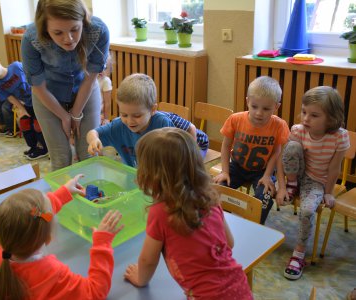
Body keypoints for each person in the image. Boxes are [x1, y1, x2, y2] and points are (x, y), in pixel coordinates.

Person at [123, 128, 252, 299]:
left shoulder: (160, 212)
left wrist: (140, 279)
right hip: (239, 287)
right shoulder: (210, 197)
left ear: (150, 175)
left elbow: (148, 260)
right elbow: (229, 242)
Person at [0, 186, 124, 299]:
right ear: (48, 239)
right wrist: (102, 244)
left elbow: (34, 216)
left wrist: (64, 192)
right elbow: (95, 292)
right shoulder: (51, 273)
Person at [21, 0, 110, 170]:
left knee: (90, 153)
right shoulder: (31, 39)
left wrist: (76, 114)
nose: (68, 39)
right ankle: (62, 197)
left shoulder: (98, 30)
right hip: (47, 95)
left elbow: (91, 78)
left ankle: (90, 195)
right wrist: (64, 116)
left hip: (85, 89)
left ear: (83, 20)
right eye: (58, 32)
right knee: (61, 156)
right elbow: (38, 86)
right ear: (45, 28)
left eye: (75, 29)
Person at [276, 86, 350, 281]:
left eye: (314, 115)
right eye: (304, 112)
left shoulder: (339, 136)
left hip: (317, 182)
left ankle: (298, 254)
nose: (306, 118)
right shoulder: (298, 130)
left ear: (332, 118)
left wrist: (328, 193)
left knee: (308, 211)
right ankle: (292, 186)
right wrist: (284, 185)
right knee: (291, 146)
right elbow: (285, 157)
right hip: (297, 174)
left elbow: (334, 169)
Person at [213, 76, 289, 224]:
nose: (259, 113)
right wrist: (225, 171)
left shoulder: (279, 125)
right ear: (247, 101)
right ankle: (223, 223)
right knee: (216, 191)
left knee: (265, 198)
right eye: (254, 106)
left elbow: (276, 153)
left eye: (266, 109)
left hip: (262, 171)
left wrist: (268, 176)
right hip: (236, 166)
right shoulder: (235, 119)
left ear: (276, 107)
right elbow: (226, 145)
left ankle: (254, 226)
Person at [87, 73, 174, 167]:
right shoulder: (118, 125)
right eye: (124, 115)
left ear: (152, 110)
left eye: (137, 116)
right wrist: (93, 140)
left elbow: (175, 155)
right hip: (133, 177)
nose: (130, 121)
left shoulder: (162, 123)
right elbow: (93, 132)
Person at [0, 55, 48, 160]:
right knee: (24, 124)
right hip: (27, 104)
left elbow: (33, 76)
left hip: (40, 100)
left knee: (37, 126)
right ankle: (33, 147)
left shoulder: (16, 66)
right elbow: (10, 98)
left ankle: (44, 148)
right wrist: (22, 110)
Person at [98, 54, 112, 125]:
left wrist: (106, 118)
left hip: (99, 114)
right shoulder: (88, 79)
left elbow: (107, 102)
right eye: (99, 66)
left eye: (105, 67)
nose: (101, 70)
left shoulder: (105, 81)